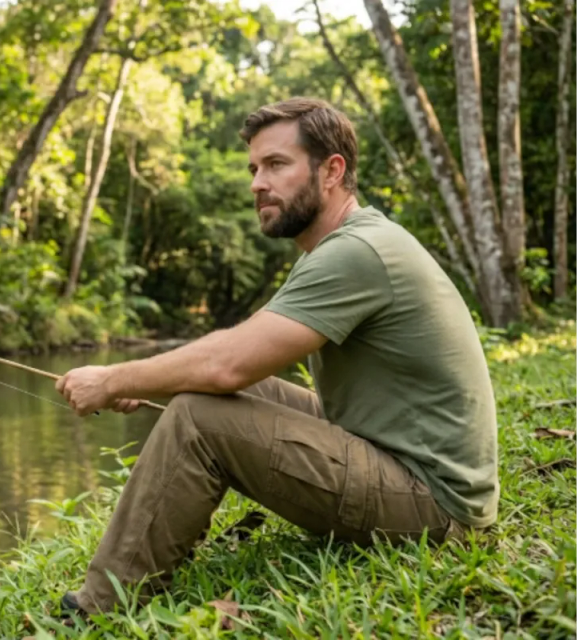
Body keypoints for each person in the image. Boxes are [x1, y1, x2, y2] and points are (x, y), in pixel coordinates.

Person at [53, 97, 499, 616]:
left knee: (201, 417)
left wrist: (113, 378)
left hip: (436, 505)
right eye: (254, 168)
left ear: (332, 170)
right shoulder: (340, 247)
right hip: (401, 458)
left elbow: (228, 363)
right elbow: (241, 356)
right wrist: (143, 381)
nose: (257, 183)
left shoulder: (356, 253)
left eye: (276, 165)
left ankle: (97, 609)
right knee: (222, 392)